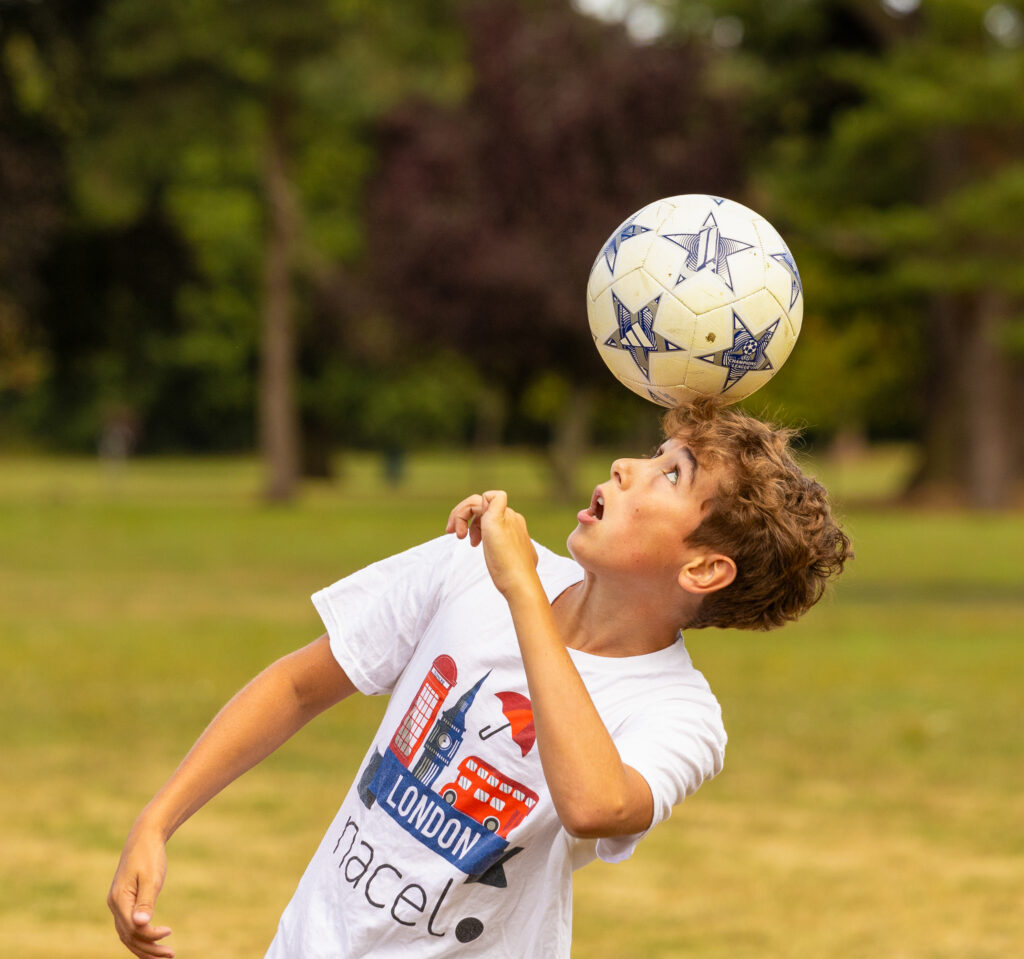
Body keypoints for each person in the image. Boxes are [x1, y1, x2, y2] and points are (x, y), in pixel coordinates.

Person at [108, 398, 850, 958]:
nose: (627, 467)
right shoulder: (467, 567)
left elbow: (594, 802)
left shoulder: (680, 713)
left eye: (670, 474)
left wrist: (522, 587)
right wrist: (157, 819)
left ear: (703, 567)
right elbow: (297, 686)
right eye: (654, 451)